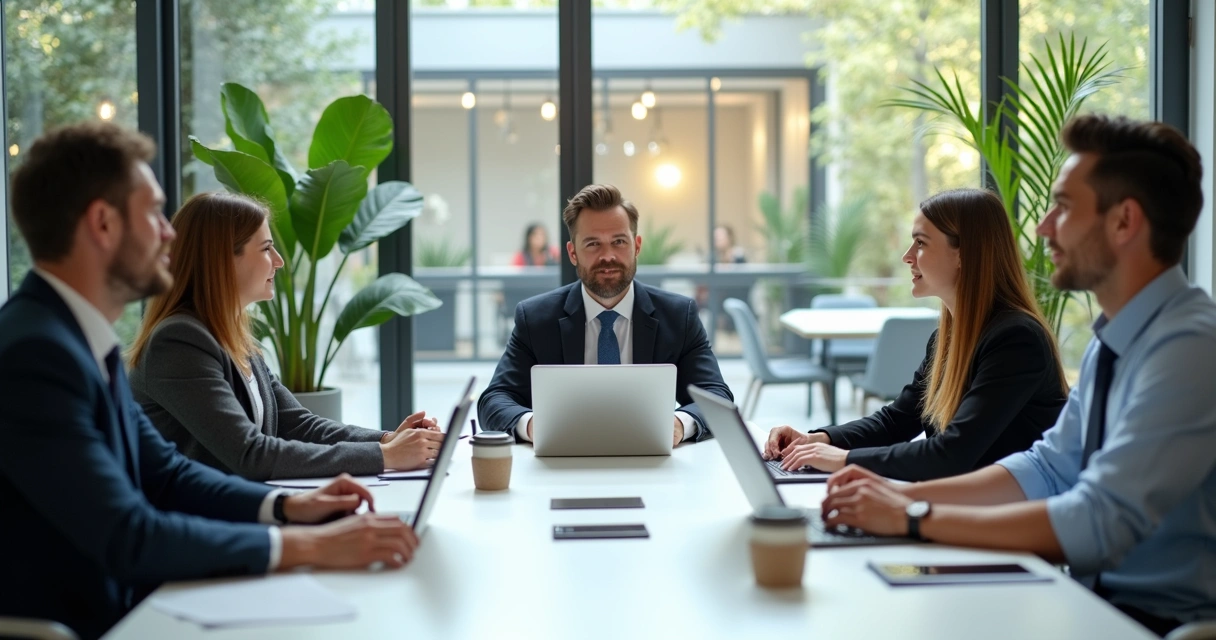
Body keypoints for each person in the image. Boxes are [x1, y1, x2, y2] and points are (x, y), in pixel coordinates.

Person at [0, 123, 419, 640]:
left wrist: (288, 506)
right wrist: (305, 545)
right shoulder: (35, 354)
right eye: (153, 212)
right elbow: (127, 534)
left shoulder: (80, 340)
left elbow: (167, 473)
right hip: (103, 621)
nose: (170, 233)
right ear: (103, 224)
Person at [819, 115, 1215, 636]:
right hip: (1090, 602)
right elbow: (1048, 469)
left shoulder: (1189, 349)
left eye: (1065, 207)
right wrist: (897, 498)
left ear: (1124, 222)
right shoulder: (1114, 342)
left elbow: (1097, 520)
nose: (1043, 226)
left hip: (1153, 623)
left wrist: (913, 515)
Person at [126, 192, 443, 482]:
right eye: (265, 249)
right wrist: (385, 456)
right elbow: (250, 454)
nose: (278, 261)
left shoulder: (233, 336)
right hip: (197, 528)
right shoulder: (179, 342)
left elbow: (301, 426)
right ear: (222, 260)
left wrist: (387, 440)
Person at [764, 188, 1068, 481]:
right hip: (965, 508)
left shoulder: (1017, 341)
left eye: (921, 243)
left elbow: (951, 454)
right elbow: (897, 421)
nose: (907, 257)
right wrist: (818, 439)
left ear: (964, 253)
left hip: (1010, 519)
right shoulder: (946, 340)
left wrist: (842, 460)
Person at [478, 184, 733, 446]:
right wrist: (532, 425)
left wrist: (679, 424)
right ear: (572, 253)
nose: (607, 256)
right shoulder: (535, 319)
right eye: (592, 244)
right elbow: (494, 400)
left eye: (619, 242)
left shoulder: (679, 316)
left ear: (636, 246)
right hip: (563, 469)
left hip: (653, 466)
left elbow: (716, 396)